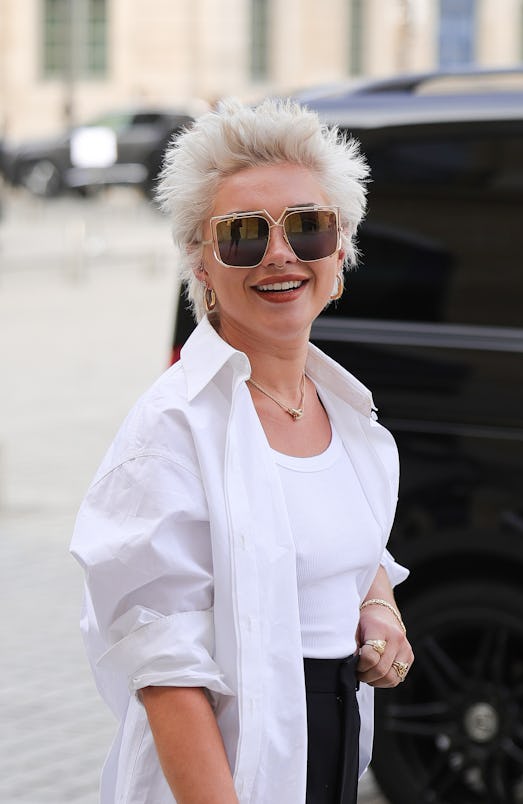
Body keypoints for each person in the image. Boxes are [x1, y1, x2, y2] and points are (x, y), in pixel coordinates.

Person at [71, 97, 414, 804]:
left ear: (340, 253)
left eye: (309, 229)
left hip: (331, 746)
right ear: (202, 264)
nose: (281, 255)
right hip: (226, 773)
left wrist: (380, 610)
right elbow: (168, 673)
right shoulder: (171, 431)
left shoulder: (349, 414)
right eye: (244, 235)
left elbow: (344, 548)